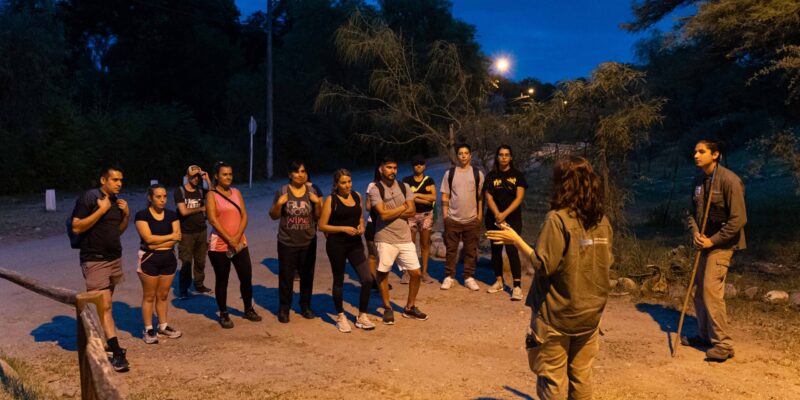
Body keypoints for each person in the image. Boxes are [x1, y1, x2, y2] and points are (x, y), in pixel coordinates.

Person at [487, 156, 613, 400]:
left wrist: (516, 240)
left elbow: (543, 265)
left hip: (556, 316)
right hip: (590, 316)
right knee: (581, 377)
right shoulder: (602, 221)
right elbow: (606, 263)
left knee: (552, 379)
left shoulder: (557, 219)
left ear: (562, 183)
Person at [681, 140, 747, 361]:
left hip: (722, 245)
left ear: (715, 154)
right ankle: (705, 335)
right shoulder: (698, 180)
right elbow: (691, 212)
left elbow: (739, 219)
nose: (696, 155)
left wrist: (713, 240)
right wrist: (695, 233)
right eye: (695, 151)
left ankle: (723, 344)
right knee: (699, 292)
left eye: (702, 151)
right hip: (703, 243)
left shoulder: (730, 181)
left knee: (711, 291)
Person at [70, 166, 130, 372]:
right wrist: (101, 210)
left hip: (115, 259)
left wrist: (126, 216)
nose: (119, 183)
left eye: (121, 180)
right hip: (95, 260)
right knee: (105, 306)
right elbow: (77, 226)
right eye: (115, 180)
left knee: (106, 306)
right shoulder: (90, 197)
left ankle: (105, 341)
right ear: (103, 179)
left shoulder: (115, 201)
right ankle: (117, 353)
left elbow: (116, 231)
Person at [369, 156, 428, 324]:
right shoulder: (375, 189)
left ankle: (409, 307)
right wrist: (403, 207)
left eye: (394, 167)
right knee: (383, 272)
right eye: (388, 167)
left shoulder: (404, 186)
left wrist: (394, 210)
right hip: (385, 237)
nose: (392, 170)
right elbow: (382, 214)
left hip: (404, 237)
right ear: (381, 169)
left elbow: (412, 211)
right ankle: (387, 308)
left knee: (416, 273)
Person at [318, 169, 376, 332]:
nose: (347, 185)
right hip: (336, 245)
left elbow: (360, 217)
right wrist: (343, 228)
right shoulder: (332, 200)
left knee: (367, 279)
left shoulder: (357, 196)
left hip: (355, 244)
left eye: (349, 182)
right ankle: (341, 316)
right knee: (339, 280)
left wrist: (361, 226)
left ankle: (362, 316)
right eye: (343, 183)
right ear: (336, 184)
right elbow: (321, 226)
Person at [206, 161, 262, 328]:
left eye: (230, 174)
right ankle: (223, 314)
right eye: (224, 174)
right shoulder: (211, 195)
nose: (228, 177)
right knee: (222, 280)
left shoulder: (236, 192)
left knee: (246, 277)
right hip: (220, 245)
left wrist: (236, 237)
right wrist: (229, 239)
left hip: (240, 243)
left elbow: (244, 215)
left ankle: (248, 309)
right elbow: (212, 220)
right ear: (216, 176)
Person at [269, 161, 322, 323]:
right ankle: (284, 309)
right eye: (297, 172)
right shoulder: (282, 191)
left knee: (307, 276)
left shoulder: (312, 191)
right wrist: (279, 204)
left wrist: (317, 203)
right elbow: (273, 215)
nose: (301, 174)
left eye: (303, 171)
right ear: (290, 174)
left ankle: (305, 306)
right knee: (286, 277)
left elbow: (318, 216)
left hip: (308, 241)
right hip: (287, 242)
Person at [135, 184, 183, 344]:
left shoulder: (172, 215)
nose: (162, 200)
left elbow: (177, 238)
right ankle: (148, 329)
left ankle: (163, 326)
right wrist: (168, 238)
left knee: (163, 295)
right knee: (149, 296)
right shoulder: (142, 215)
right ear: (150, 198)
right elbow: (148, 240)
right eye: (158, 196)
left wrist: (159, 241)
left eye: (164, 196)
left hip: (168, 258)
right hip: (149, 258)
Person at [484, 145, 528, 300]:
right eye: (501, 155)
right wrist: (497, 214)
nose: (503, 157)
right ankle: (499, 281)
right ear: (497, 157)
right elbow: (488, 197)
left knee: (511, 250)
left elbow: (519, 198)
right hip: (493, 218)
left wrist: (504, 214)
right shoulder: (490, 176)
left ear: (511, 157)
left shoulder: (518, 175)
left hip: (512, 218)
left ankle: (516, 286)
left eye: (506, 155)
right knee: (495, 250)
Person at [440, 143, 485, 291]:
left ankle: (468, 277)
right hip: (453, 219)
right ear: (457, 156)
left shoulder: (477, 174)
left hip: (471, 220)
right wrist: (445, 216)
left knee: (471, 250)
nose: (463, 155)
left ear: (470, 156)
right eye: (460, 153)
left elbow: (480, 198)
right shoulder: (450, 173)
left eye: (466, 153)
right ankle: (449, 277)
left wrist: (479, 216)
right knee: (451, 249)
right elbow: (445, 195)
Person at [174, 165, 213, 298]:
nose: (196, 179)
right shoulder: (179, 192)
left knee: (200, 261)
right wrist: (201, 209)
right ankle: (184, 290)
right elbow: (183, 212)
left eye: (198, 176)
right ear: (187, 177)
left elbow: (214, 195)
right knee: (186, 262)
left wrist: (207, 180)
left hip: (201, 231)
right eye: (193, 176)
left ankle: (199, 285)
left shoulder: (201, 191)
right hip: (186, 233)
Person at [401, 156, 437, 284]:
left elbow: (433, 197)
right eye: (416, 164)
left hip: (426, 215)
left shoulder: (429, 180)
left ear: (425, 166)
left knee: (425, 244)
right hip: (411, 215)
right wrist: (422, 198)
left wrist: (416, 195)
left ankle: (424, 273)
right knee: (409, 245)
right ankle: (407, 272)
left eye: (421, 163)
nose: (418, 166)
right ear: (412, 166)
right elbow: (406, 198)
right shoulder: (406, 180)